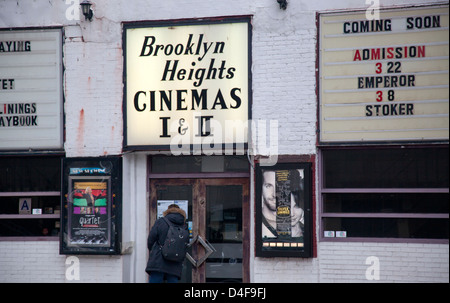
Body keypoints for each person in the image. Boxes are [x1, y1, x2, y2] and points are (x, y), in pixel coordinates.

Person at [145, 204, 189, 283]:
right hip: (176, 259)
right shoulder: (184, 225)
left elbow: (151, 239)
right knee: (173, 279)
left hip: (159, 258)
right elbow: (185, 242)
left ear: (167, 211)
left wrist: (152, 250)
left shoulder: (161, 221)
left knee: (156, 279)